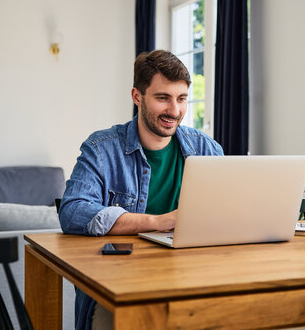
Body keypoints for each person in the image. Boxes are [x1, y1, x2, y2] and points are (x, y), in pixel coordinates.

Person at [58, 50, 223, 330]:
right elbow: (72, 211)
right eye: (163, 98)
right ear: (137, 96)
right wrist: (158, 222)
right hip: (122, 291)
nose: (174, 111)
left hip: (193, 283)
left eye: (181, 99)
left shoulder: (207, 149)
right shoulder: (101, 149)